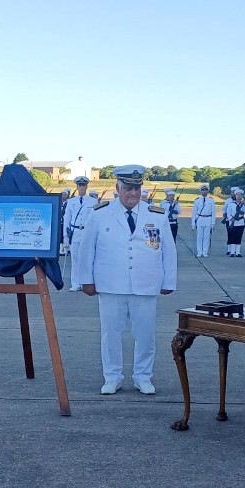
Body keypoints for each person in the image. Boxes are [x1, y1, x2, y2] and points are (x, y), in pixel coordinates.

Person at [76, 164, 177, 395]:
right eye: (128, 188)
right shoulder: (100, 214)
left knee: (145, 335)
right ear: (117, 188)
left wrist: (168, 281)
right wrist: (86, 280)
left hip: (146, 284)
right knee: (110, 333)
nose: (133, 193)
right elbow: (86, 249)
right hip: (111, 285)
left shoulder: (156, 215)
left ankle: (143, 377)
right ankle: (112, 377)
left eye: (137, 188)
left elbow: (168, 250)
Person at [63, 176, 95, 291]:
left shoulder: (93, 201)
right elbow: (67, 219)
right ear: (77, 187)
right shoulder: (71, 202)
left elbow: (95, 220)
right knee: (75, 258)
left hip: (87, 232)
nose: (82, 188)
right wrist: (65, 236)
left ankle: (86, 283)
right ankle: (75, 283)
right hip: (75, 231)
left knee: (87, 258)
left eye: (83, 185)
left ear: (86, 186)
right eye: (80, 185)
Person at [192, 184, 216, 258]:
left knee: (206, 237)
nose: (204, 191)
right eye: (203, 190)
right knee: (199, 236)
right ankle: (199, 251)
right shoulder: (197, 201)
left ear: (207, 191)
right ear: (201, 191)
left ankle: (205, 251)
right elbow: (194, 213)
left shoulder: (211, 200)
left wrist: (213, 223)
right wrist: (193, 223)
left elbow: (213, 212)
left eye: (205, 190)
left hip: (208, 219)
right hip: (200, 219)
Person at [226, 190, 245, 257]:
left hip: (240, 222)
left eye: (240, 195)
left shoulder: (243, 204)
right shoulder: (231, 204)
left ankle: (238, 252)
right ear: (235, 196)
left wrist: (243, 204)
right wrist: (230, 218)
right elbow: (228, 212)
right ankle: (232, 252)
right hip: (233, 222)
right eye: (237, 195)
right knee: (232, 237)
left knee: (239, 237)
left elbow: (244, 212)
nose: (239, 196)